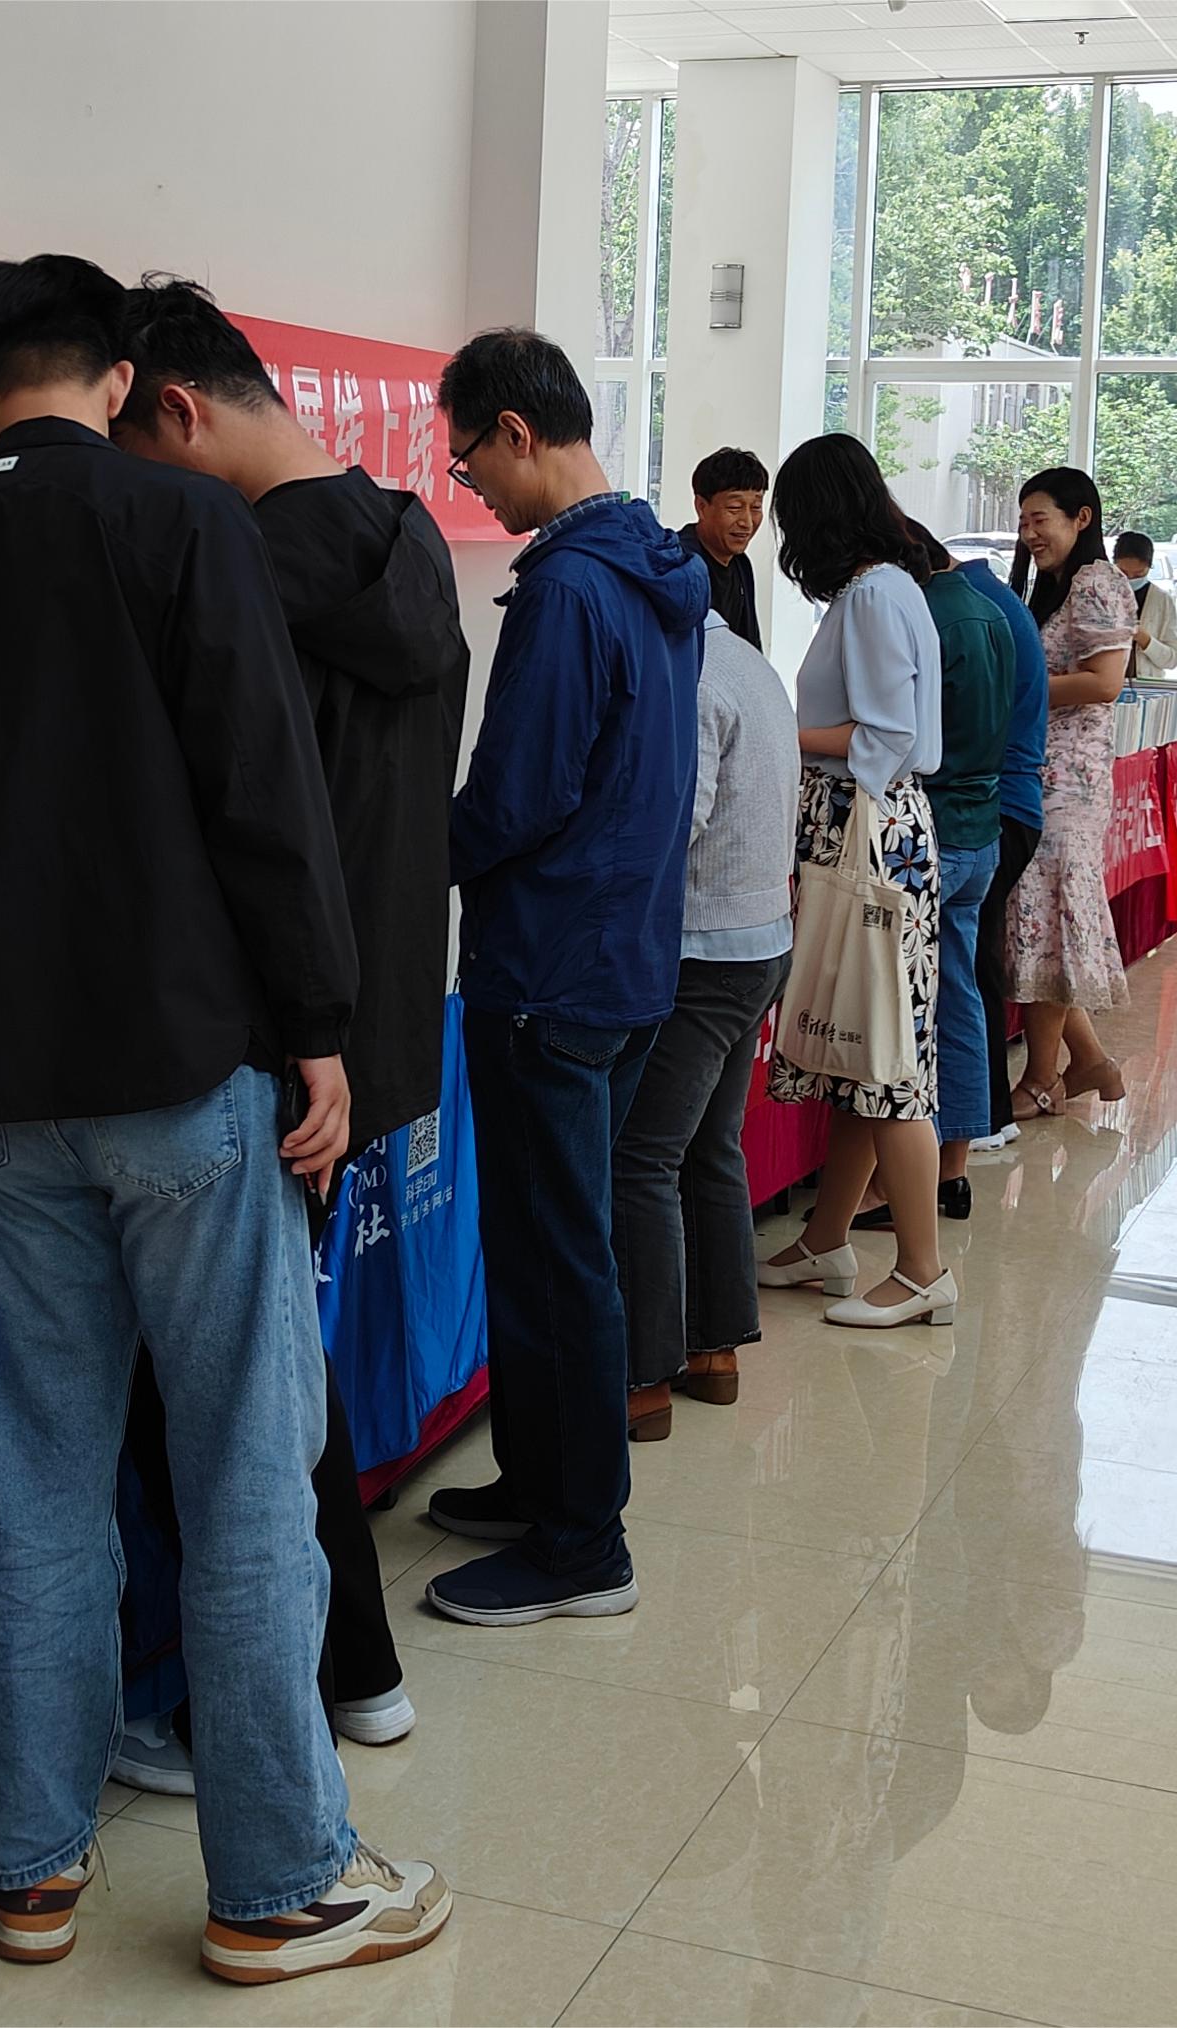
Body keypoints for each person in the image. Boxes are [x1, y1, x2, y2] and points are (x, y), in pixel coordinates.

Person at [0, 254, 448, 1982]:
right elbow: (265, 799)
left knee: (39, 1481)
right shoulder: (180, 525)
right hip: (186, 1073)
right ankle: (278, 1883)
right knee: (243, 1479)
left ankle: (34, 1869)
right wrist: (319, 1028)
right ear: (119, 379)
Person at [98, 274, 465, 1787]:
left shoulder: (229, 568)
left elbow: (237, 826)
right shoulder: (411, 539)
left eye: (130, 453)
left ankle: (274, 1701)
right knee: (272, 1372)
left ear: (178, 412)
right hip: (371, 1020)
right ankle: (356, 1668)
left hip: (264, 1035)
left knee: (230, 1394)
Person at [418, 329, 704, 1626]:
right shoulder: (655, 570)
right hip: (625, 957)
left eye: (468, 459)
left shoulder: (570, 591)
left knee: (557, 1257)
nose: (470, 484)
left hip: (548, 969)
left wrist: (397, 861)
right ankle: (541, 1483)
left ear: (517, 433)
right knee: (547, 1246)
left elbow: (517, 798)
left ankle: (584, 1544)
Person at [752, 435, 955, 1329]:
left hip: (869, 836)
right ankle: (827, 1237)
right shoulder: (888, 589)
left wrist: (779, 732)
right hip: (872, 830)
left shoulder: (872, 596)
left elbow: (886, 735)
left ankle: (922, 1271)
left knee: (886, 1058)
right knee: (856, 1048)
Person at [611, 607, 796, 1432]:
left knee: (641, 1157)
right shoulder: (750, 664)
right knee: (710, 1147)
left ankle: (644, 1380)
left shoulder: (689, 678)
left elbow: (676, 822)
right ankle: (716, 1352)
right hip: (760, 941)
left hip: (704, 949)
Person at [1003, 467, 1137, 1117]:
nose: (1030, 534)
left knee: (1046, 921)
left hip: (1067, 783)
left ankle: (1041, 1079)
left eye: (1041, 520)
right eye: (1023, 522)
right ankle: (1089, 1063)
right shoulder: (1056, 586)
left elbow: (1105, 682)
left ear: (1082, 519)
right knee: (1041, 925)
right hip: (1039, 774)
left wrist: (1014, 691)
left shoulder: (1096, 582)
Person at [909, 523, 1014, 1215]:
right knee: (961, 997)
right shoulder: (993, 610)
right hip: (982, 825)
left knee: (910, 1011)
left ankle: (898, 1179)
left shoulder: (925, 616)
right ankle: (953, 1169)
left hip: (937, 824)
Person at [954, 542, 1049, 1150]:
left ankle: (982, 1117)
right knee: (977, 959)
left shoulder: (969, 611)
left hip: (997, 806)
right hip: (1010, 803)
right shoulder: (995, 601)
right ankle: (986, 1114)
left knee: (970, 966)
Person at [681, 446, 768, 650]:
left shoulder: (741, 564)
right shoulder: (682, 565)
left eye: (756, 507)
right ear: (702, 507)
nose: (747, 522)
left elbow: (749, 644)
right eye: (734, 508)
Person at [1113, 531, 1177, 682]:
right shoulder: (1099, 595)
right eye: (1123, 573)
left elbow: (1172, 659)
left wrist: (1145, 639)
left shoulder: (1162, 600)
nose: (1130, 579)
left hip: (1146, 686)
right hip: (1104, 685)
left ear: (1149, 566)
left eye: (1139, 574)